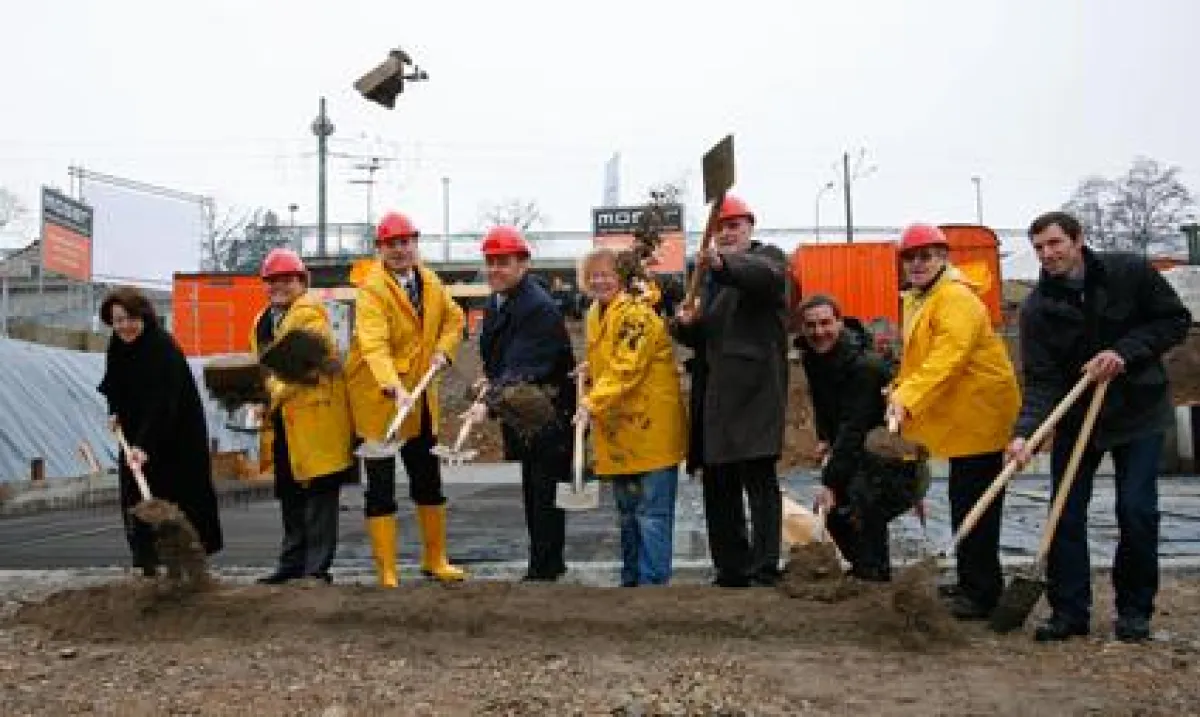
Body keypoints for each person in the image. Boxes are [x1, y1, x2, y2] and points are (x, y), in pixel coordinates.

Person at [1007, 211, 1190, 642]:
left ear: (1078, 239)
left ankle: (1134, 611)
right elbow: (1042, 381)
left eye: (1055, 243)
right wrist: (1026, 433)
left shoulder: (1129, 272)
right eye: (1039, 248)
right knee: (1064, 512)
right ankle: (1069, 612)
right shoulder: (1038, 309)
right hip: (1078, 419)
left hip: (1138, 411)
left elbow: (1173, 321)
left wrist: (1124, 352)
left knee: (1136, 510)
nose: (1047, 254)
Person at [885, 223, 1021, 619]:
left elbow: (949, 357)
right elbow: (921, 359)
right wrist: (898, 389)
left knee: (977, 503)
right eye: (910, 257)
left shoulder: (956, 299)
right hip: (962, 416)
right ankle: (971, 581)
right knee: (964, 499)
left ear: (943, 258)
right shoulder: (922, 298)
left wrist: (908, 397)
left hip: (982, 414)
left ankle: (982, 592)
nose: (917, 264)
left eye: (926, 256)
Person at [672, 196, 791, 588]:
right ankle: (731, 567)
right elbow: (705, 336)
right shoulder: (710, 281)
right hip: (716, 394)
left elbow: (763, 278)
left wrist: (723, 266)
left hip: (755, 392)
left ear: (750, 228)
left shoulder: (768, 260)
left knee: (758, 481)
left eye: (734, 226)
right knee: (719, 482)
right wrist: (686, 324)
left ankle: (764, 567)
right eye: (720, 227)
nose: (726, 233)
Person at [345, 211, 467, 587]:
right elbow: (374, 345)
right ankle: (387, 569)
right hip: (381, 401)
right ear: (379, 249)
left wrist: (444, 351)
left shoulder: (429, 281)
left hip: (420, 399)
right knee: (381, 487)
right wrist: (393, 386)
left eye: (405, 242)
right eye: (391, 244)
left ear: (415, 244)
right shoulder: (371, 290)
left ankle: (436, 559)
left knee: (427, 480)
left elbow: (455, 320)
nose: (400, 250)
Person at [465, 225, 577, 581]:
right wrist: (489, 382)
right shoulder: (498, 302)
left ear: (523, 264)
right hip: (524, 410)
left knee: (544, 493)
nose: (495, 269)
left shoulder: (537, 307)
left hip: (548, 412)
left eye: (504, 262)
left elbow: (524, 365)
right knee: (533, 488)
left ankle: (545, 570)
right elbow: (500, 359)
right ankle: (544, 565)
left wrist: (488, 401)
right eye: (490, 262)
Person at [574, 248, 686, 587]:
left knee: (651, 515)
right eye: (593, 275)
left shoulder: (638, 315)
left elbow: (628, 367)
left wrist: (591, 403)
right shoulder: (596, 313)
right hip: (620, 429)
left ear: (622, 277)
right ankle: (632, 581)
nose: (600, 281)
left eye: (607, 274)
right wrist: (590, 368)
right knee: (627, 515)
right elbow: (613, 357)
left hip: (650, 427)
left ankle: (652, 586)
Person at [97, 287, 223, 575]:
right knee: (137, 497)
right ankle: (147, 564)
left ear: (143, 316)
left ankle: (190, 564)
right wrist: (114, 412)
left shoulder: (162, 348)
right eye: (118, 321)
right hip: (134, 433)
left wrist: (145, 445)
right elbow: (113, 385)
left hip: (175, 435)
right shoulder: (116, 345)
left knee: (180, 496)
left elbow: (163, 403)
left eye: (131, 319)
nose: (125, 326)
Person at [798, 294, 922, 582]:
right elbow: (823, 405)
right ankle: (862, 570)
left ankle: (875, 575)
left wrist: (830, 482)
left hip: (890, 454)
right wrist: (824, 437)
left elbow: (853, 428)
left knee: (860, 502)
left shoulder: (864, 367)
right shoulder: (814, 358)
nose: (819, 332)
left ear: (840, 323)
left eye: (825, 323)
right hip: (855, 445)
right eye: (811, 325)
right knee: (836, 514)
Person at [250, 248, 356, 585]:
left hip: (316, 419)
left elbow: (299, 369)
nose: (279, 286)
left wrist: (269, 395)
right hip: (285, 421)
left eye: (287, 280)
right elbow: (263, 369)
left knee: (320, 495)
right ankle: (292, 563)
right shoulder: (262, 321)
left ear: (302, 282)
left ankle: (316, 569)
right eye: (272, 280)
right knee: (290, 493)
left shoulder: (311, 316)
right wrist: (256, 396)